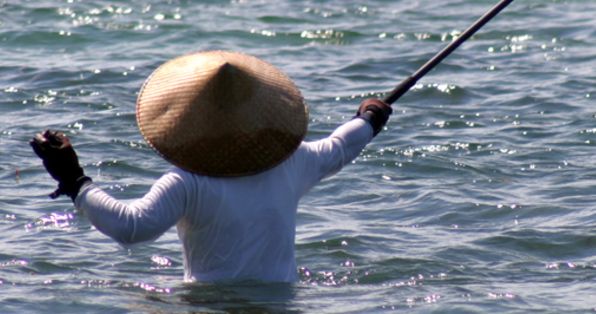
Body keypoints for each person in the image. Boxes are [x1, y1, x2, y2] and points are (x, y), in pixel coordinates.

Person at [30, 50, 391, 283]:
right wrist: (370, 118)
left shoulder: (187, 182)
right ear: (260, 114)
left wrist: (75, 180)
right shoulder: (293, 162)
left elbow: (131, 227)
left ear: (189, 120)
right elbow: (341, 146)